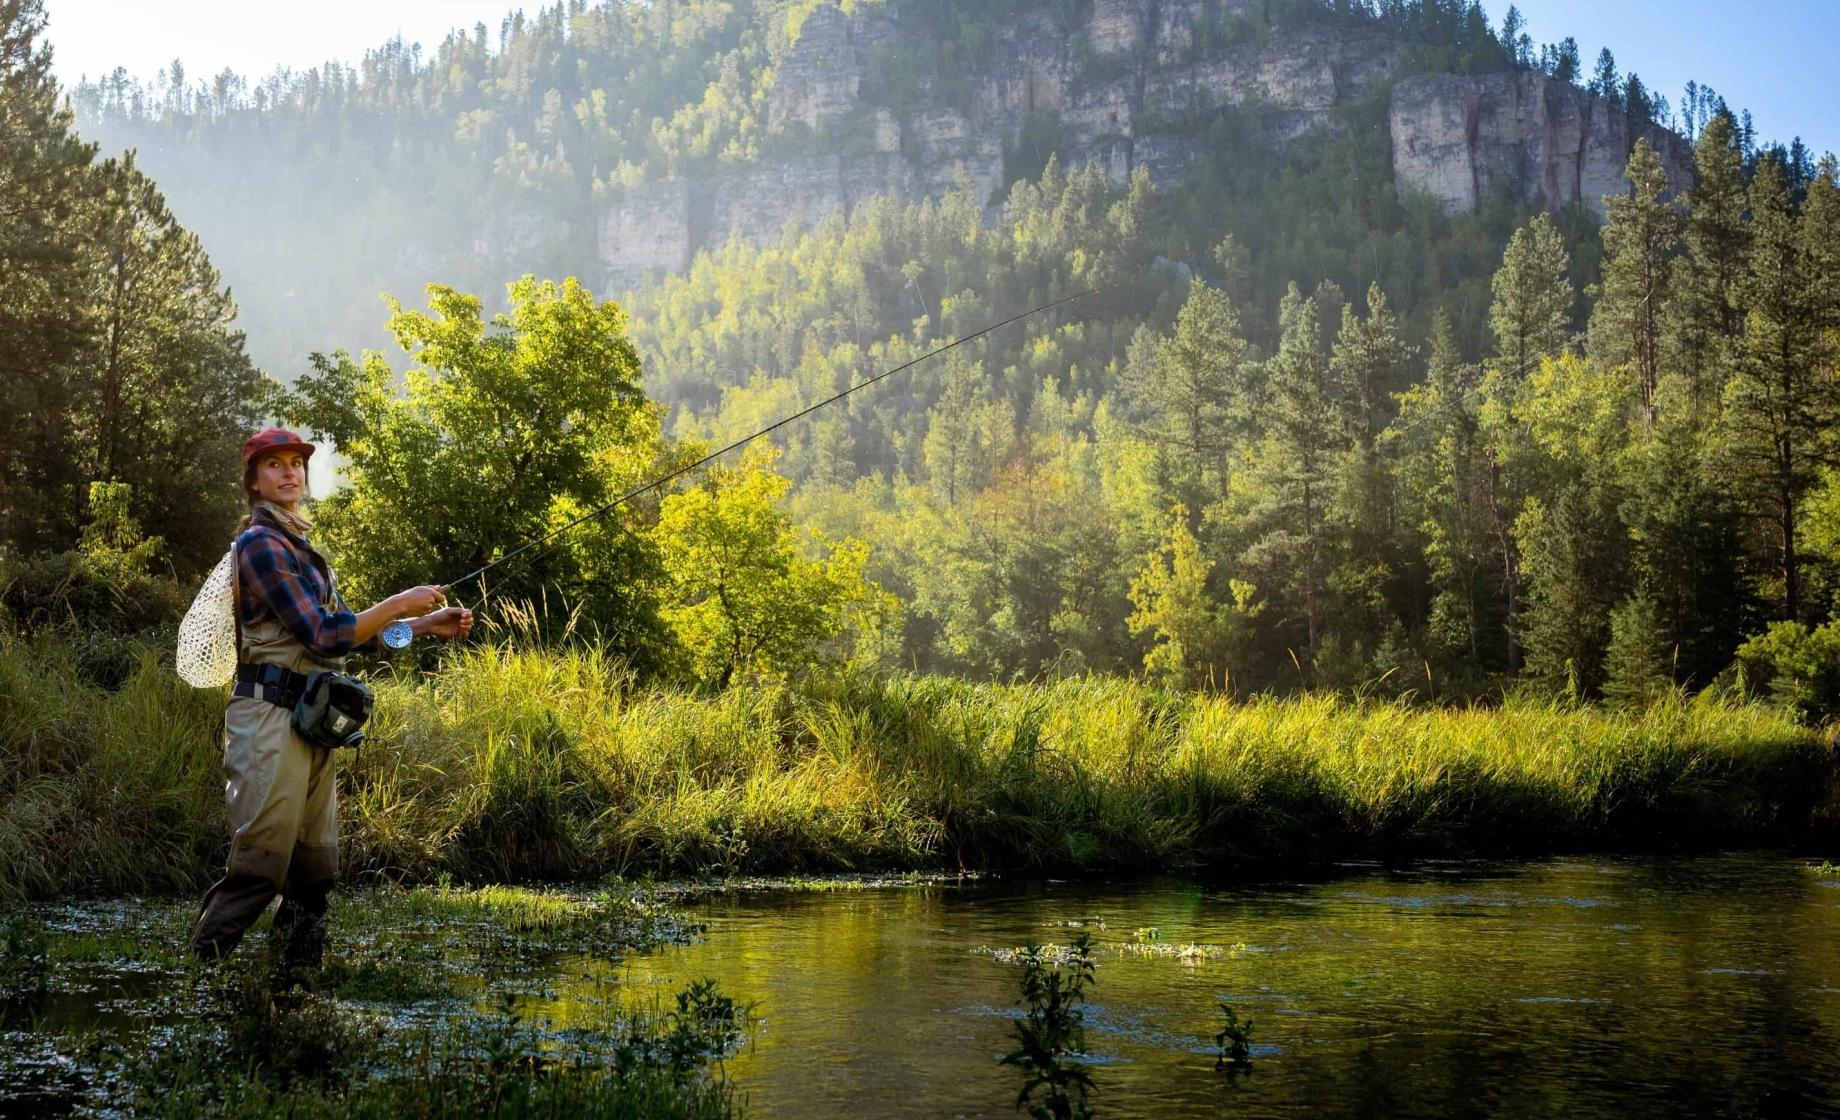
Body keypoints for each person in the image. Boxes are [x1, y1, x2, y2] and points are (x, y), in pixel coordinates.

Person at [187, 428, 473, 970]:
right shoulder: (260, 545)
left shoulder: (302, 549)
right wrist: (397, 602)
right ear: (253, 481)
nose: (289, 473)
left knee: (315, 871)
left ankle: (295, 988)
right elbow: (322, 633)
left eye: (296, 463)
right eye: (274, 465)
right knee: (260, 867)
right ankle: (200, 982)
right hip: (267, 720)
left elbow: (348, 634)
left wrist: (422, 624)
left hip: (309, 720)